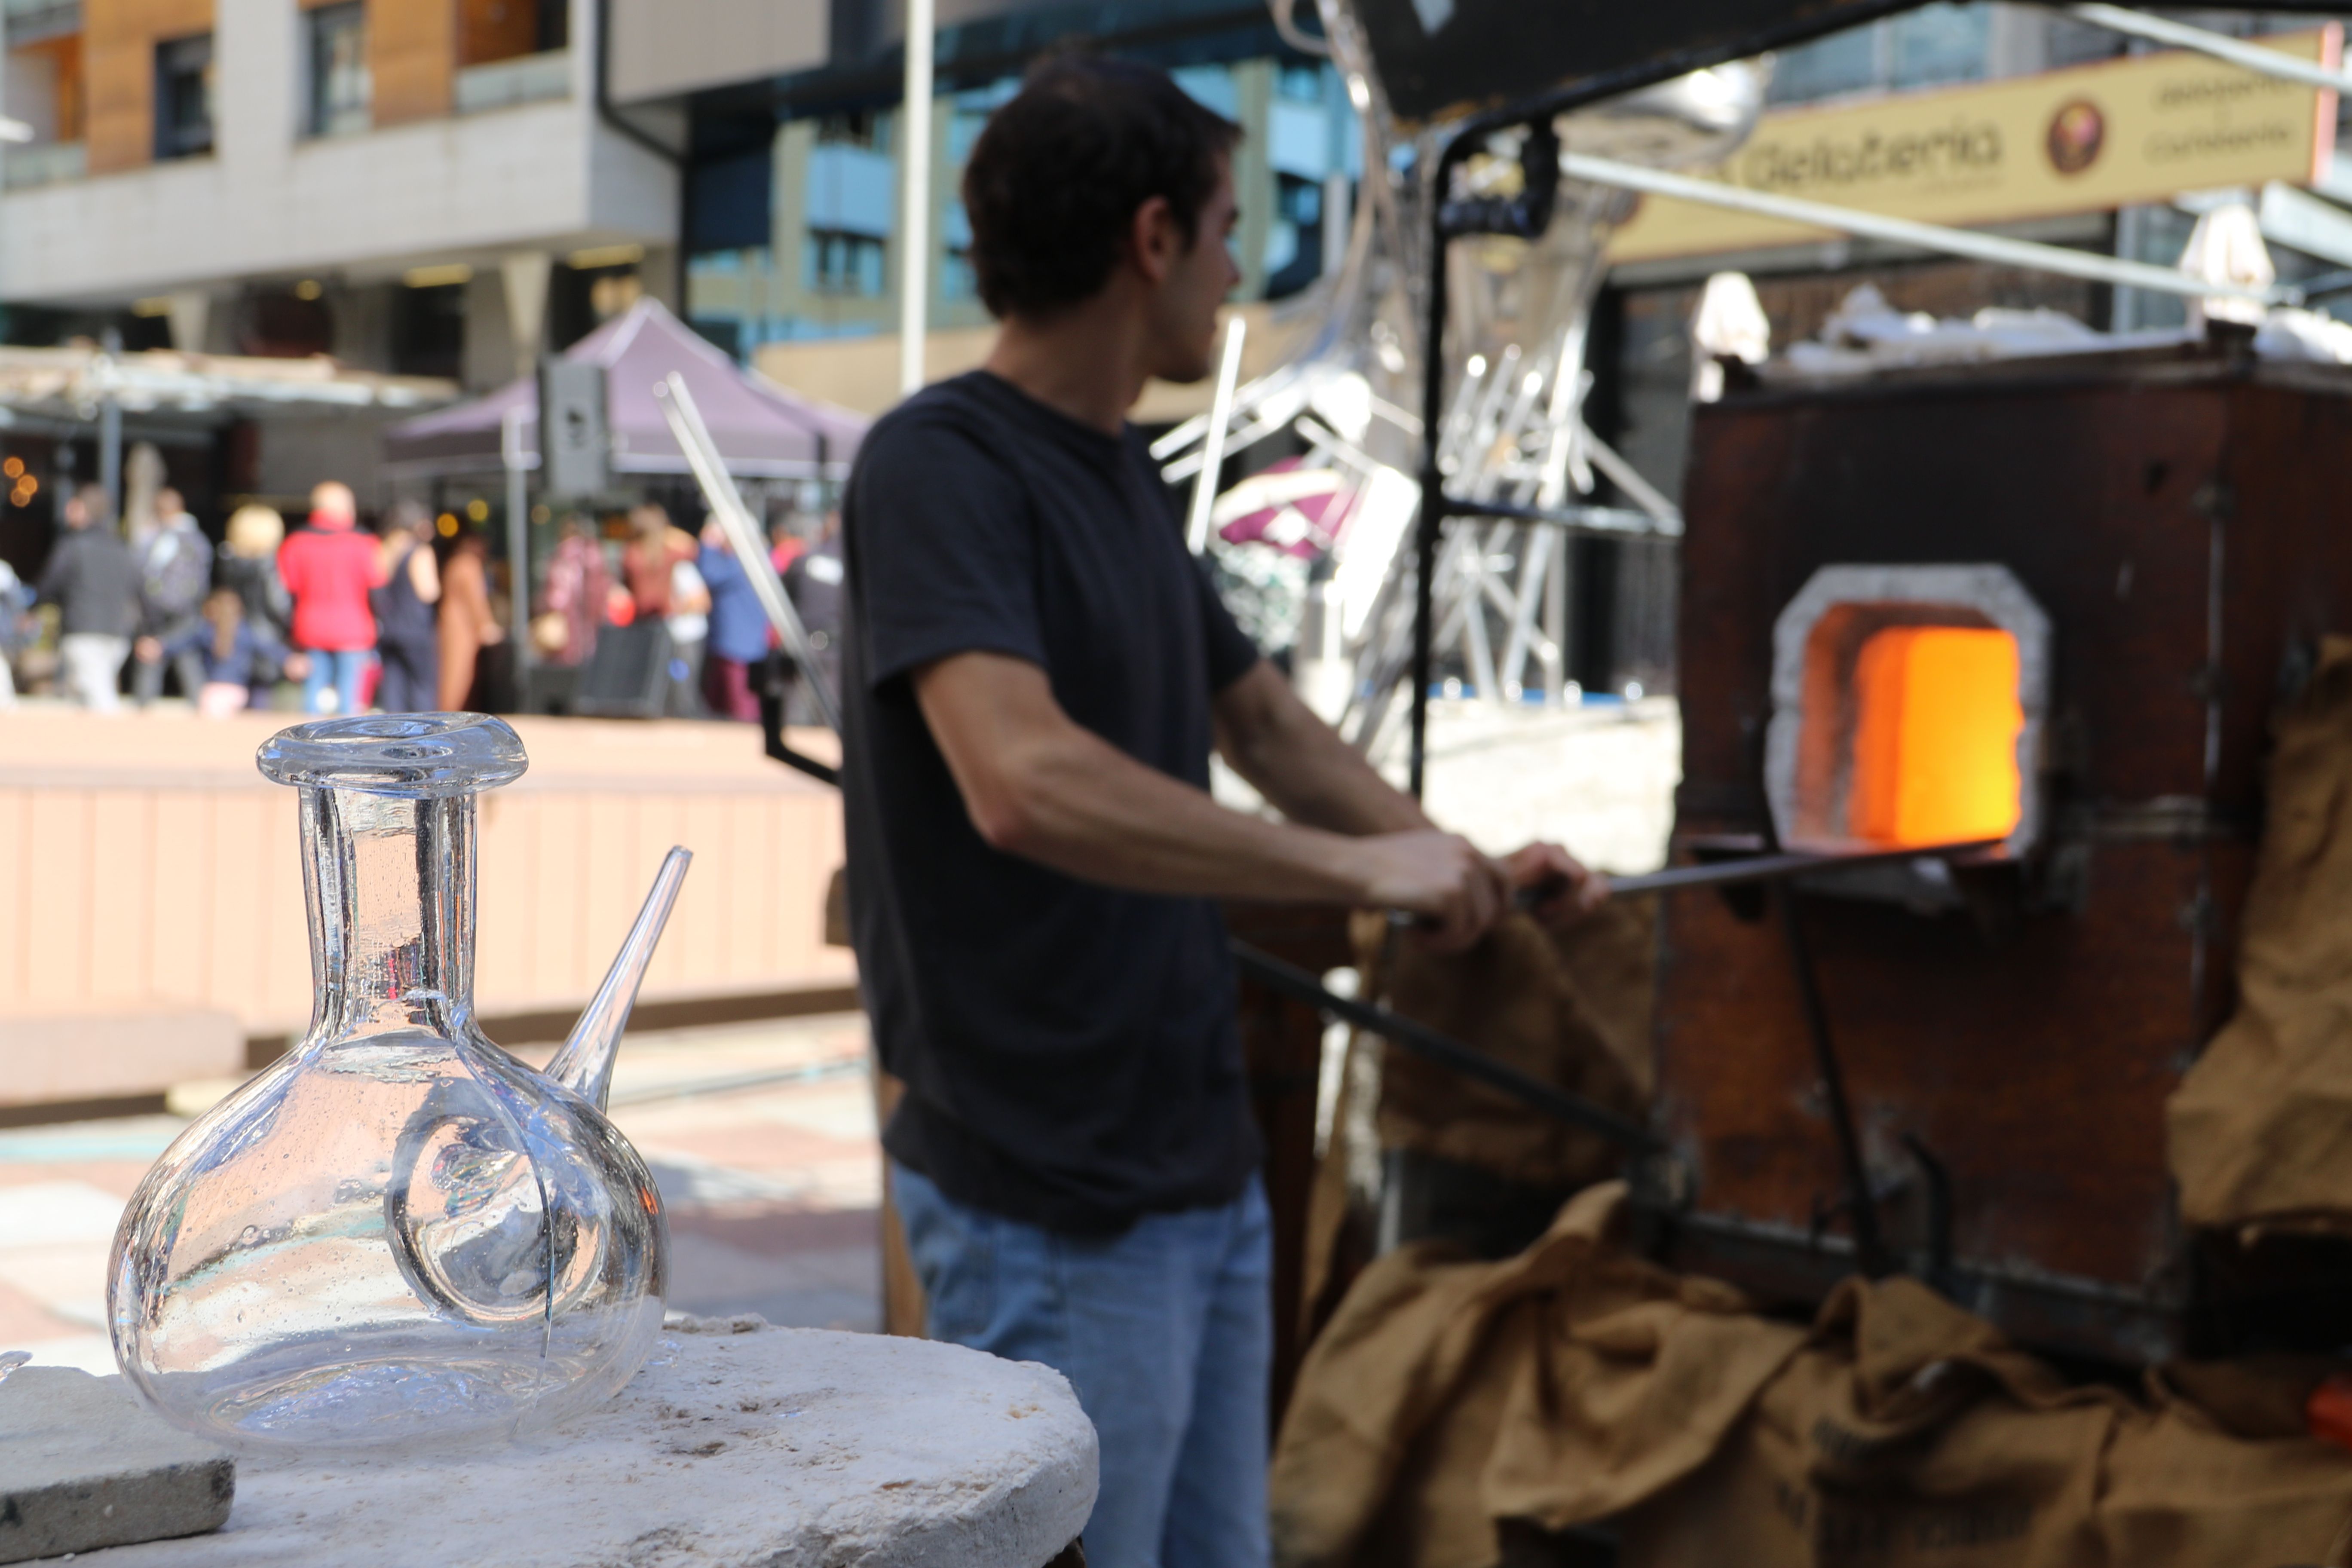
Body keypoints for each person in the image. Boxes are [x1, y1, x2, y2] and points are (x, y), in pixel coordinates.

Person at [839, 54, 1603, 1568]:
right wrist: (1354, 867)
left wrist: (1450, 861)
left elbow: (1263, 721)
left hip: (1196, 1163)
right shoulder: (940, 461)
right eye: (1231, 226)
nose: (1241, 266)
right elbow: (1020, 774)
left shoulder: (1117, 472)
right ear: (1150, 239)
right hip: (1047, 1191)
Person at [277, 481, 385, 715]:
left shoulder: (295, 543)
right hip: (354, 628)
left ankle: (305, 749)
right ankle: (348, 749)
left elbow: (287, 590)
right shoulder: (365, 543)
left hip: (310, 627)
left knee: (313, 694)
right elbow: (378, 588)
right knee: (351, 699)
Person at [36, 484, 138, 712]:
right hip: (117, 634)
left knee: (100, 701)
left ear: (84, 510)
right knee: (86, 697)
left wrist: (32, 607)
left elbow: (49, 585)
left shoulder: (72, 547)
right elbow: (138, 589)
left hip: (83, 631)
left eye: (73, 507)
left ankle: (123, 744)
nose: (67, 512)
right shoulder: (122, 549)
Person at [131, 487, 214, 706]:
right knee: (188, 656)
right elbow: (203, 577)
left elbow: (142, 569)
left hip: (158, 609)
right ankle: (201, 709)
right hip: (187, 609)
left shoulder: (160, 538)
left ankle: (143, 709)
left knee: (151, 656)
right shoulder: (199, 539)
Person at [217, 504, 295, 709]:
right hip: (266, 637)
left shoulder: (226, 562)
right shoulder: (269, 565)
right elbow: (278, 604)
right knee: (261, 699)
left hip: (231, 633)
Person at [371, 501, 441, 713]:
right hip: (415, 630)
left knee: (393, 688)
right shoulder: (420, 552)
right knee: (422, 687)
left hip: (390, 630)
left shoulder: (384, 550)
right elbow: (428, 591)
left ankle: (395, 738)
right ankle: (423, 738)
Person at [695, 518, 767, 722]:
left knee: (740, 710)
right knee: (718, 707)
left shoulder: (745, 561)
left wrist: (709, 544)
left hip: (737, 647)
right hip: (733, 645)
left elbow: (709, 573)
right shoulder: (754, 559)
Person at [157, 587, 268, 718]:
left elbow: (182, 642)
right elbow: (268, 648)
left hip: (213, 692)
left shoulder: (208, 631)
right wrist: (289, 660)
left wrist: (161, 646)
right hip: (239, 692)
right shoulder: (246, 631)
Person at [780, 513, 843, 727]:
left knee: (795, 719)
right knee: (830, 719)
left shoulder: (803, 561)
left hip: (804, 644)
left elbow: (783, 597)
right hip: (835, 649)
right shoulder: (856, 567)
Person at [436, 529, 504, 711]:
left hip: (450, 626)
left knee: (451, 674)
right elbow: (476, 599)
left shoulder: (455, 563)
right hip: (463, 629)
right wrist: (486, 625)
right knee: (460, 676)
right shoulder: (469, 564)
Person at [537, 513, 610, 668]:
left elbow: (556, 599)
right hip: (593, 630)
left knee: (568, 674)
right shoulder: (596, 554)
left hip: (568, 630)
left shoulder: (564, 554)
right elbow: (604, 593)